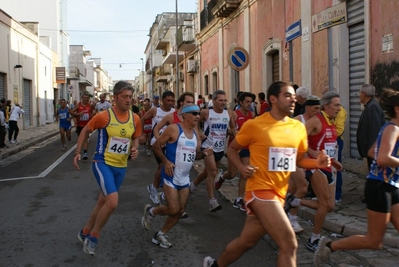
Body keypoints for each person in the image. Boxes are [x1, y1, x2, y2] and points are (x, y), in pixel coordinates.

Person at [203, 81, 330, 267]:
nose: (293, 99)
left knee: (246, 242)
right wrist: (241, 167)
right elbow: (232, 149)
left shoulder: (298, 128)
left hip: (279, 194)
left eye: (294, 96)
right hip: (259, 191)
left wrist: (316, 163)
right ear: (273, 99)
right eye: (287, 95)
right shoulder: (255, 125)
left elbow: (299, 160)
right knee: (289, 244)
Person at [314, 87, 399, 266]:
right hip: (379, 188)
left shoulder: (392, 129)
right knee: (374, 241)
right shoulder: (392, 129)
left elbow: (371, 151)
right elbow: (382, 157)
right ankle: (330, 245)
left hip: (392, 186)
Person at [74, 81, 141, 256]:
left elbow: (136, 137)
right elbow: (85, 131)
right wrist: (78, 152)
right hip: (102, 163)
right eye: (124, 97)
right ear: (115, 97)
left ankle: (85, 231)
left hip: (121, 166)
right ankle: (93, 237)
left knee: (102, 203)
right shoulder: (104, 116)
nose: (128, 100)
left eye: (130, 97)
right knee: (112, 202)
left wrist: (135, 148)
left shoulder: (135, 118)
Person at [142, 104, 212, 248]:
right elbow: (156, 145)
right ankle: (152, 211)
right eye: (194, 113)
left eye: (198, 114)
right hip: (170, 176)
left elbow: (195, 155)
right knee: (173, 209)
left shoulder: (195, 133)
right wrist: (166, 161)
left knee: (180, 211)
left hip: (185, 178)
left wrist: (204, 153)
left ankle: (160, 234)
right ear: (184, 115)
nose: (198, 116)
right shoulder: (174, 129)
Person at [285, 91, 343, 252]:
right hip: (316, 167)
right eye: (336, 105)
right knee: (324, 205)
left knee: (330, 205)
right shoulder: (316, 121)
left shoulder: (331, 122)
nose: (339, 108)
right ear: (327, 106)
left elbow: (328, 146)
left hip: (328, 167)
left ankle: (296, 201)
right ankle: (314, 239)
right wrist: (310, 152)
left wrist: (335, 161)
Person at [191, 90, 235, 211]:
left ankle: (193, 185)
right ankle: (212, 201)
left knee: (206, 172)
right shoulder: (206, 112)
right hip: (208, 146)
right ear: (214, 101)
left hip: (220, 147)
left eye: (225, 100)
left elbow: (232, 128)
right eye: (220, 100)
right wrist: (199, 133)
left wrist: (233, 132)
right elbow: (195, 122)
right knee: (213, 172)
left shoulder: (228, 113)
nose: (223, 102)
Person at [214, 92, 255, 211]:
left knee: (244, 173)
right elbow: (228, 129)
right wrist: (232, 132)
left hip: (247, 148)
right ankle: (222, 176)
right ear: (240, 102)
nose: (249, 104)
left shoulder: (252, 115)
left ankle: (239, 199)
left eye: (250, 102)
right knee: (231, 174)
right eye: (246, 102)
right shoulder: (234, 115)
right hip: (235, 148)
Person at [140, 91, 175, 205]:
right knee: (162, 165)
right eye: (168, 100)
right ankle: (154, 188)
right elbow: (142, 119)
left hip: (169, 142)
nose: (170, 103)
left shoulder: (174, 112)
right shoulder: (155, 110)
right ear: (162, 100)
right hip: (157, 142)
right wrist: (140, 134)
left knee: (169, 167)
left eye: (172, 101)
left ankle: (163, 190)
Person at [322, 86, 347, 203]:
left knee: (336, 169)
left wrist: (329, 136)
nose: (337, 107)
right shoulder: (322, 116)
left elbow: (339, 130)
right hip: (328, 142)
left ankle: (337, 195)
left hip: (336, 142)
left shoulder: (340, 112)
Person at [357, 83, 386, 172]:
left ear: (364, 94)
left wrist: (373, 152)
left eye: (360, 92)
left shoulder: (373, 107)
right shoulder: (369, 106)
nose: (359, 94)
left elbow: (375, 131)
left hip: (373, 153)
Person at [70, 91, 95, 159]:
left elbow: (93, 112)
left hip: (87, 125)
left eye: (87, 98)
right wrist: (78, 114)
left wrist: (92, 119)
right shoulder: (78, 105)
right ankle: (79, 151)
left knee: (85, 138)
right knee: (80, 138)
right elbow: (72, 112)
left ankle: (85, 153)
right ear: (82, 98)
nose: (86, 99)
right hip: (79, 125)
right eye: (84, 98)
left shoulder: (90, 105)